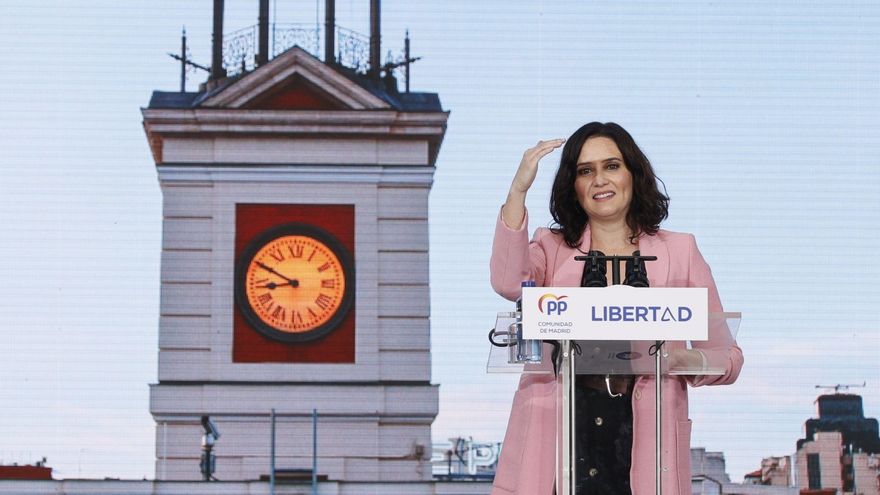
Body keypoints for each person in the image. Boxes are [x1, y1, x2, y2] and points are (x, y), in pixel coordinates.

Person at [489, 122, 743, 495]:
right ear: (573, 186)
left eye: (611, 166)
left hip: (645, 446)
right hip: (558, 446)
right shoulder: (550, 247)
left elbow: (728, 357)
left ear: (633, 174)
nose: (599, 180)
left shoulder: (681, 251)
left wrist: (678, 360)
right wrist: (518, 191)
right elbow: (508, 282)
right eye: (585, 171)